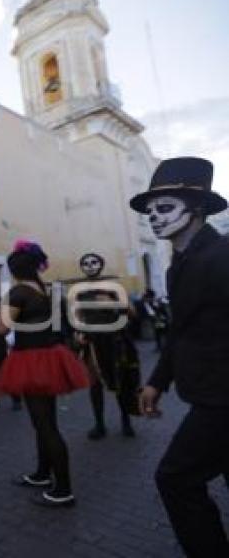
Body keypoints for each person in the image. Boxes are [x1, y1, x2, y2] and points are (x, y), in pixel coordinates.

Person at [133, 157, 229, 557]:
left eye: (166, 207)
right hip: (207, 393)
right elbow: (181, 330)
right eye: (151, 210)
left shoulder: (222, 256)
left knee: (176, 479)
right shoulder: (178, 264)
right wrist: (158, 380)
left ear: (198, 208)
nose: (155, 218)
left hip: (222, 398)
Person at [0, 240, 89, 507]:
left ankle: (64, 489)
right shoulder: (43, 289)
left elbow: (2, 329)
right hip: (50, 356)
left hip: (31, 359)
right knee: (43, 422)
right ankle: (42, 473)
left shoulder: (18, 292)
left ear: (14, 269)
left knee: (45, 426)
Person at [74, 252, 139, 439]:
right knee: (94, 385)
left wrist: (113, 303)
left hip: (115, 340)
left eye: (94, 262)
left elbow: (133, 313)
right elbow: (78, 314)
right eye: (85, 263)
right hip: (92, 342)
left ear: (101, 265)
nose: (90, 266)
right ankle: (99, 424)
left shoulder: (114, 288)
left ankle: (126, 422)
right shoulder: (80, 290)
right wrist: (78, 332)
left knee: (120, 381)